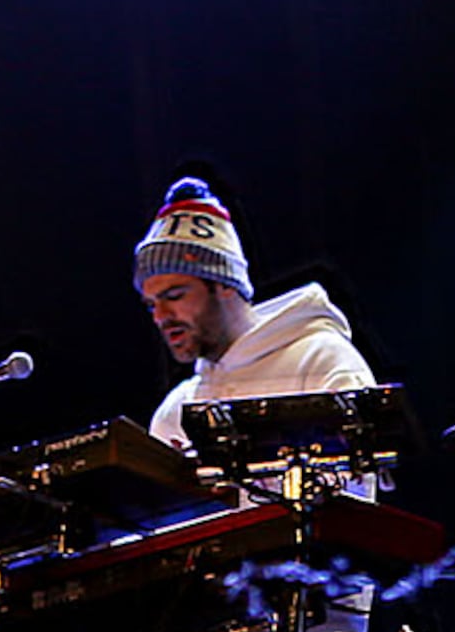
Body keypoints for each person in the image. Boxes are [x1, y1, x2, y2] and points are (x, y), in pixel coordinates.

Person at [132, 176, 375, 457]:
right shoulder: (174, 413)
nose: (160, 316)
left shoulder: (322, 361)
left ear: (224, 284)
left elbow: (354, 493)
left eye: (174, 296)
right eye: (151, 305)